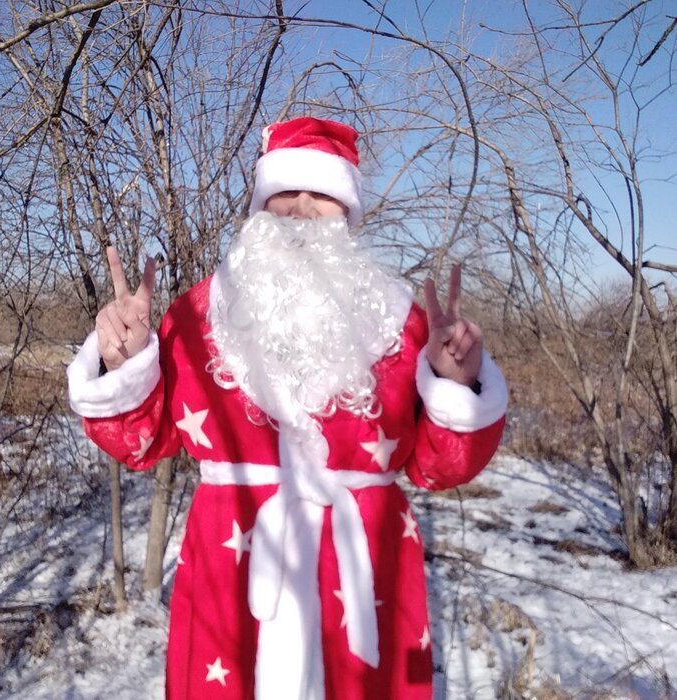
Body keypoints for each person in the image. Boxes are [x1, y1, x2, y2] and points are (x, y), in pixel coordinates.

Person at [67, 116, 508, 700]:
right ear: (260, 206)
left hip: (365, 573)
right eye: (285, 193)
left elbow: (438, 468)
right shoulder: (198, 315)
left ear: (347, 210)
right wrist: (123, 362)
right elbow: (143, 442)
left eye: (321, 194)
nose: (301, 210)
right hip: (232, 571)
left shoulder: (402, 322)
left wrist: (457, 383)